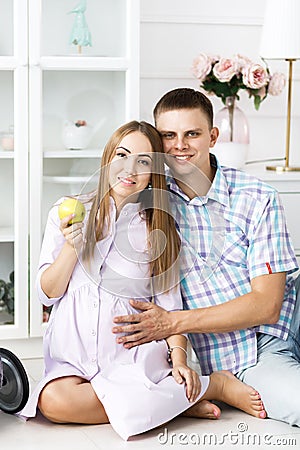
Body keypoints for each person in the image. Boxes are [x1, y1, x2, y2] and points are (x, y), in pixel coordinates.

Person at [18, 120, 266, 440]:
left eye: (144, 161)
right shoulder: (68, 212)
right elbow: (46, 294)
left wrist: (179, 359)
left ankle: (208, 384)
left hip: (132, 356)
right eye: (122, 155)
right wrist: (72, 246)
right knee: (54, 402)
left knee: (112, 392)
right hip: (73, 357)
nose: (129, 169)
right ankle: (187, 399)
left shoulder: (157, 229)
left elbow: (168, 306)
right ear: (108, 159)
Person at [112, 89, 300, 427]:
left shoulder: (257, 196)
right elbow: (99, 206)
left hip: (293, 313)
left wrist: (172, 322)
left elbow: (267, 304)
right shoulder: (148, 204)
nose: (180, 145)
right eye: (168, 135)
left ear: (212, 136)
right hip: (251, 352)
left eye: (192, 134)